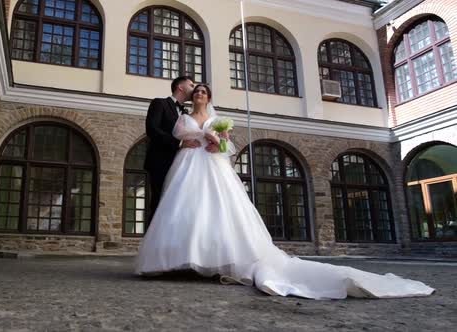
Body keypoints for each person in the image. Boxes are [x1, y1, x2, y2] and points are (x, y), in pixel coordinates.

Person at [135, 84, 434, 300]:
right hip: (188, 163)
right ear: (191, 97)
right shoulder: (183, 118)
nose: (199, 94)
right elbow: (176, 136)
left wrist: (217, 142)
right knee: (183, 209)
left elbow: (227, 144)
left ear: (209, 97)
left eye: (203, 92)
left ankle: (215, 260)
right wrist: (186, 142)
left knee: (217, 210)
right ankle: (179, 259)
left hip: (212, 165)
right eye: (196, 92)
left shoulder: (218, 119)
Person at [144, 76, 216, 222]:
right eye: (191, 85)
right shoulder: (160, 103)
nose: (194, 89)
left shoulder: (185, 114)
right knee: (159, 204)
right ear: (180, 87)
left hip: (183, 164)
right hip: (161, 162)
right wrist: (179, 144)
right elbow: (152, 129)